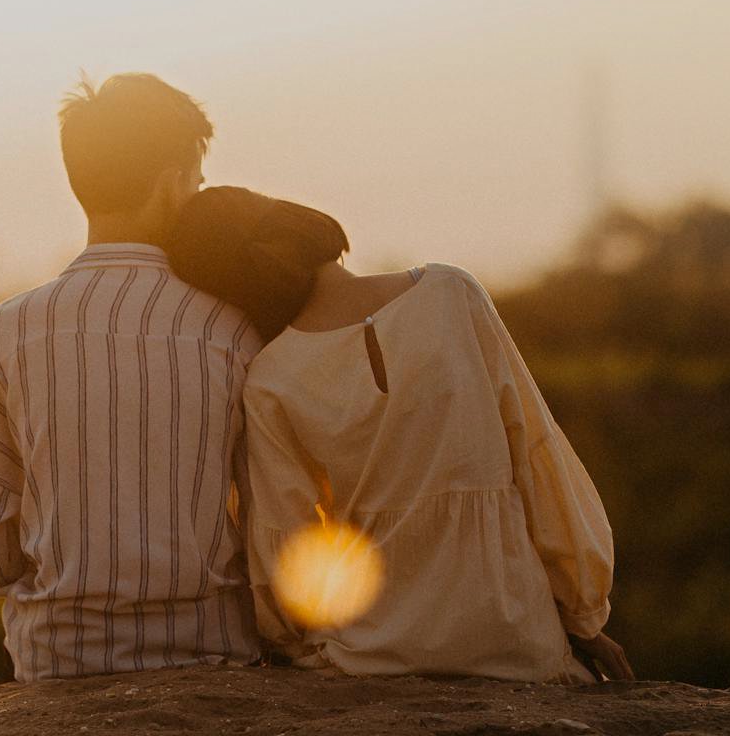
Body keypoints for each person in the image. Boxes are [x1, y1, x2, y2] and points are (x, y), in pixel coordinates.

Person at [164, 186, 634, 684]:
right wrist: (583, 616)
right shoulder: (452, 293)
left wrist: (291, 642)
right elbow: (537, 456)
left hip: (368, 654)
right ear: (297, 220)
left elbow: (287, 544)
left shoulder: (270, 379)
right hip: (514, 638)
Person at [0, 74, 263, 680]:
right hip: (215, 653)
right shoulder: (233, 329)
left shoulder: (0, 333)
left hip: (59, 660)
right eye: (196, 182)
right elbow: (269, 517)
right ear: (171, 184)